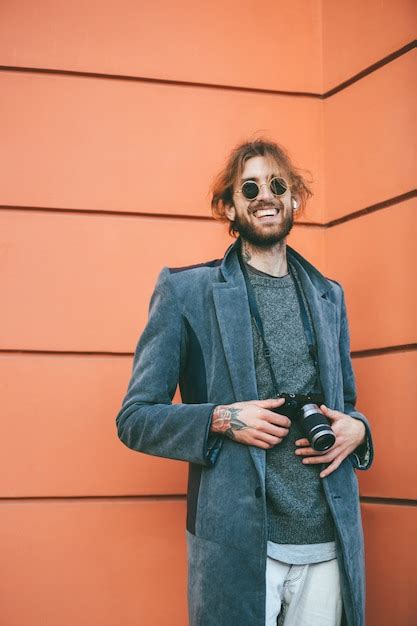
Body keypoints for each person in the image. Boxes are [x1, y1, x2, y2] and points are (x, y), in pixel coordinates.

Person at [116, 139, 373, 626]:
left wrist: (359, 431)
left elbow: (349, 406)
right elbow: (134, 418)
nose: (265, 195)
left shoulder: (328, 296)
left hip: (327, 538)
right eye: (248, 187)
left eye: (277, 184)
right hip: (239, 543)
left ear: (294, 199)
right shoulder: (185, 291)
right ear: (229, 206)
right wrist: (220, 419)